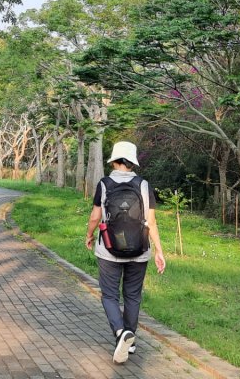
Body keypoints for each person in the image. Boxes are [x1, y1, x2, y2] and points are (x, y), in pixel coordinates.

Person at [84, 141, 166, 365]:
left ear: (114, 161)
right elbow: (151, 222)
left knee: (110, 295)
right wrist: (159, 251)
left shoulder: (104, 184)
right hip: (140, 250)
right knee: (132, 295)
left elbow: (95, 216)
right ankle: (130, 340)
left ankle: (121, 333)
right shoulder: (144, 185)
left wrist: (89, 235)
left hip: (109, 250)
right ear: (132, 162)